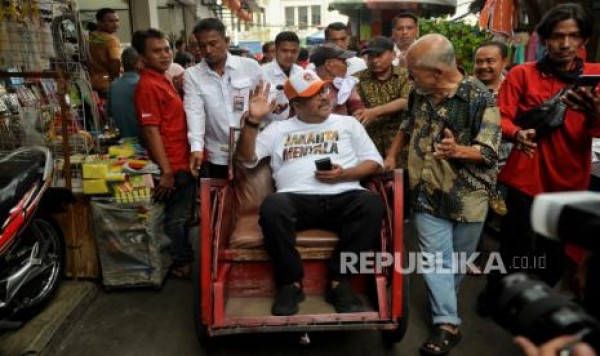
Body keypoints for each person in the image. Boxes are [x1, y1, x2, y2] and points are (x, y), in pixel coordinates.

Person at [385, 34, 501, 354]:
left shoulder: (481, 98)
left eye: (414, 73)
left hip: (469, 195)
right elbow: (408, 125)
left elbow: (489, 151)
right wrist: (393, 154)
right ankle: (447, 323)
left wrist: (459, 150)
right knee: (436, 259)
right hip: (425, 191)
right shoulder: (419, 93)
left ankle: (443, 305)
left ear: (437, 71)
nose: (410, 79)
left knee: (456, 263)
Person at [235, 69, 384, 316]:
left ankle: (339, 281)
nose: (325, 97)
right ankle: (291, 283)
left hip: (344, 196)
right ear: (296, 105)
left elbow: (373, 161)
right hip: (295, 200)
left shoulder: (348, 124)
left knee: (372, 204)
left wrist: (345, 174)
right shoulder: (278, 130)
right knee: (273, 207)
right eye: (314, 95)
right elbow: (245, 159)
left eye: (323, 90)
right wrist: (252, 121)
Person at [493, 3, 600, 286]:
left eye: (573, 36)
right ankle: (500, 293)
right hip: (526, 176)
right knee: (515, 246)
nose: (565, 44)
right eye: (556, 36)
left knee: (553, 253)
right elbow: (499, 118)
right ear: (545, 38)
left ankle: (539, 304)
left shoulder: (595, 76)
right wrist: (517, 133)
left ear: (584, 39)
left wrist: (595, 112)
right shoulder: (522, 74)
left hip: (570, 179)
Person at [132, 29, 195, 278]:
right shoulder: (147, 85)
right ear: (143, 57)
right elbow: (151, 131)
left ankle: (181, 259)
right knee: (176, 218)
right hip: (172, 164)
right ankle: (181, 263)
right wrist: (166, 170)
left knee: (181, 216)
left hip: (181, 158)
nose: (165, 54)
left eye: (167, 49)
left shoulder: (164, 79)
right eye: (156, 51)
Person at [184, 18, 262, 179]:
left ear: (226, 41)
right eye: (201, 45)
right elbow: (194, 112)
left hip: (253, 148)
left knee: (253, 200)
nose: (208, 50)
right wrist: (196, 147)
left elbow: (265, 100)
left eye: (213, 44)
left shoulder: (250, 66)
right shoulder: (192, 75)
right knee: (221, 200)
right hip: (218, 154)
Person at [354, 36, 410, 161]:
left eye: (379, 55)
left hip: (400, 147)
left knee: (401, 179)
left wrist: (375, 112)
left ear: (393, 55)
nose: (374, 60)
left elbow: (405, 101)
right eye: (370, 56)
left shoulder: (405, 75)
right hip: (370, 148)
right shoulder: (357, 79)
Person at [310, 44, 365, 116]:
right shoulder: (307, 86)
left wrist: (358, 114)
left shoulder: (346, 85)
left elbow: (357, 107)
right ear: (329, 64)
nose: (347, 66)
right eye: (344, 62)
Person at [261, 31, 303, 122]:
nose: (289, 55)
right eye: (284, 51)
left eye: (294, 51)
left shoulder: (301, 72)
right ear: (275, 51)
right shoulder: (261, 73)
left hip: (297, 128)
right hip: (269, 129)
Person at [106, 47, 141, 139]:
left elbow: (109, 115)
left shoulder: (113, 85)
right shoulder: (141, 84)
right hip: (142, 141)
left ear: (122, 64)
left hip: (122, 140)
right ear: (138, 63)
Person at [88, 8, 122, 98]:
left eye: (117, 21)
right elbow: (115, 60)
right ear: (100, 22)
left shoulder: (91, 37)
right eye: (111, 21)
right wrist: (115, 80)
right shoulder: (111, 40)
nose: (116, 24)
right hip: (107, 84)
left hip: (92, 83)